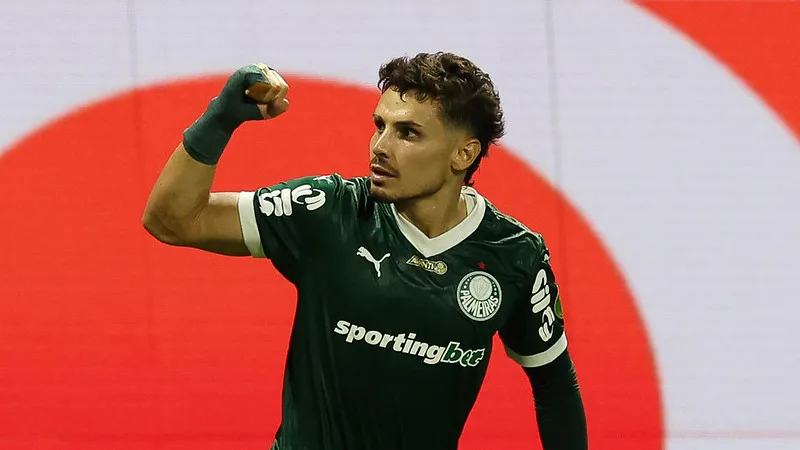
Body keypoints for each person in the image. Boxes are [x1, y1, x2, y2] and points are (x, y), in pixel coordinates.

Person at [142, 52, 588, 450]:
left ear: (462, 154)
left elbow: (553, 382)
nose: (379, 146)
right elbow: (173, 220)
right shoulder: (328, 211)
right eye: (380, 126)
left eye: (408, 133)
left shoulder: (516, 254)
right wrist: (220, 120)